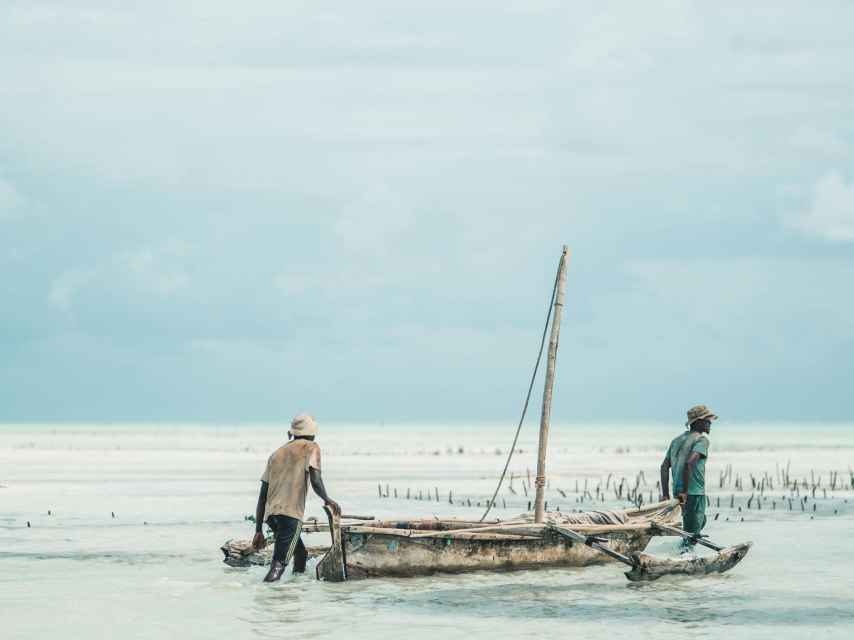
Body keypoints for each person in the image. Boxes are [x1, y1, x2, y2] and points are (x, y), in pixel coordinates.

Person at [252, 414, 340, 582]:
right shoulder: (311, 447)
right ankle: (265, 594)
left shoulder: (276, 454)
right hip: (290, 515)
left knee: (300, 553)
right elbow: (316, 480)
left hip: (271, 515)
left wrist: (258, 530)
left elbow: (262, 496)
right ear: (311, 433)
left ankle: (296, 588)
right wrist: (327, 499)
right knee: (278, 565)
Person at [660, 404, 717, 549]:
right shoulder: (701, 440)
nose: (710, 423)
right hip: (694, 492)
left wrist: (665, 494)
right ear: (698, 422)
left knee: (693, 525)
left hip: (678, 493)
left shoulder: (676, 440)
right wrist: (685, 492)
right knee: (692, 534)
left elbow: (664, 467)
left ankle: (682, 550)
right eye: (707, 420)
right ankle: (685, 555)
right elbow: (689, 463)